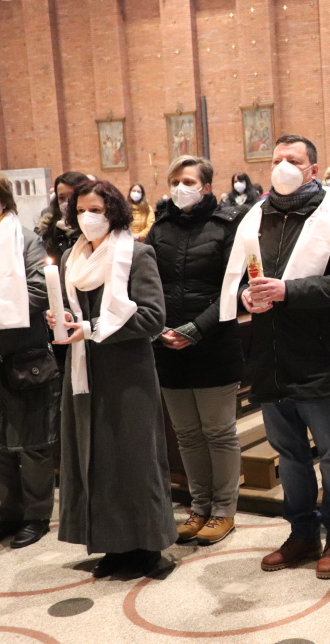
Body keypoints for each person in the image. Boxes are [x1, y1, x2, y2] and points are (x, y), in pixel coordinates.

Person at [220, 134, 330, 579]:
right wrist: (246, 296)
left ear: (312, 170)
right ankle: (302, 534)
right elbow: (239, 277)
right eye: (276, 159)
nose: (282, 165)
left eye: (293, 159)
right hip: (270, 356)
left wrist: (288, 290)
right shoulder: (255, 216)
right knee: (289, 455)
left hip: (318, 356)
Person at [50, 178, 175, 578]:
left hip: (127, 370)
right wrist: (62, 318)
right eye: (80, 210)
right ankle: (114, 544)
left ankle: (147, 545)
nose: (87, 217)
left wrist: (89, 328)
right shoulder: (71, 257)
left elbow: (152, 317)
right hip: (84, 371)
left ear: (114, 212)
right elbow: (74, 313)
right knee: (97, 459)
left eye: (96, 210)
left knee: (135, 458)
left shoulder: (137, 254)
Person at [147, 156, 247, 546]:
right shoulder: (160, 228)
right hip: (168, 344)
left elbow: (234, 288)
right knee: (187, 434)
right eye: (174, 181)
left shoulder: (226, 226)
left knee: (218, 432)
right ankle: (199, 507)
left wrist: (197, 328)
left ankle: (223, 510)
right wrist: (160, 328)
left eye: (187, 181)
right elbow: (148, 285)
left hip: (213, 343)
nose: (179, 188)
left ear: (206, 187)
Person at [0, 168, 60, 549]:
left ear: (2, 200)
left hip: (23, 353)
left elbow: (38, 287)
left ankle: (36, 515)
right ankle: (9, 513)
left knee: (33, 442)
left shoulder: (25, 239)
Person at [37, 171, 87, 262]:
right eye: (62, 198)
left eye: (72, 197)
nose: (67, 203)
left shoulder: (91, 228)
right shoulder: (48, 229)